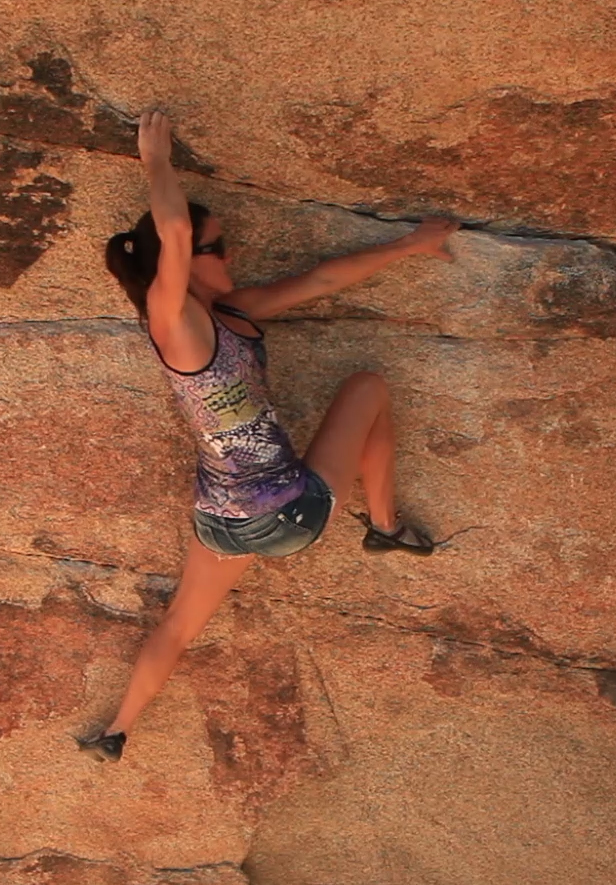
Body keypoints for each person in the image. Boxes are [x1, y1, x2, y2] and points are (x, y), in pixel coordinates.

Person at [79, 110, 458, 762]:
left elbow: (321, 280)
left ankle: (114, 733)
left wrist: (408, 246)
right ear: (181, 263)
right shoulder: (174, 322)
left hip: (220, 521)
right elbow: (174, 230)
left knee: (180, 624)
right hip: (285, 516)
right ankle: (386, 527)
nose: (231, 255)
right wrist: (156, 162)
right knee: (368, 388)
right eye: (218, 247)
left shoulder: (231, 312)